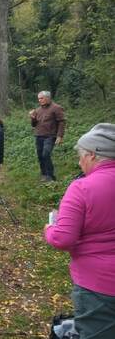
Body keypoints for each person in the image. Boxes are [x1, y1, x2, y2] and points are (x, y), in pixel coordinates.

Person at [44, 123, 115, 339]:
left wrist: (49, 228)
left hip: (99, 285)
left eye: (81, 155)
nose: (79, 161)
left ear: (93, 155)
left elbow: (63, 238)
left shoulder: (82, 187)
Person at [29, 91, 65, 182]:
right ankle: (44, 174)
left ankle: (50, 176)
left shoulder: (56, 108)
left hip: (50, 136)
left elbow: (61, 122)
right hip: (39, 135)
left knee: (46, 154)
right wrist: (32, 118)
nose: (39, 100)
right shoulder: (37, 110)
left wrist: (60, 136)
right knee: (40, 156)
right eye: (38, 99)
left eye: (41, 98)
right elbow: (34, 125)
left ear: (48, 98)